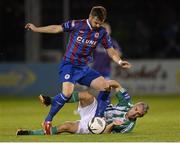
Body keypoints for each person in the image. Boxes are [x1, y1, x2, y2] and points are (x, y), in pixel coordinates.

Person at [25, 6, 132, 134]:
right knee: (67, 94)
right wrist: (36, 29)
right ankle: (48, 120)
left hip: (84, 68)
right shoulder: (77, 24)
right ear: (90, 17)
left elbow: (111, 50)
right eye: (96, 22)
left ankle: (98, 118)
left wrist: (119, 61)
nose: (97, 25)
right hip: (69, 65)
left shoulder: (102, 32)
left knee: (105, 86)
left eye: (100, 23)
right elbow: (56, 28)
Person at [16, 80, 149, 135]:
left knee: (65, 127)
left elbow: (107, 134)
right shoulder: (127, 102)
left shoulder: (129, 126)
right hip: (98, 110)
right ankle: (51, 100)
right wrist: (106, 84)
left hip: (97, 125)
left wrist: (112, 124)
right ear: (135, 105)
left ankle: (28, 133)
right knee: (86, 95)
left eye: (138, 115)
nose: (135, 114)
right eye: (136, 110)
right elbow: (116, 84)